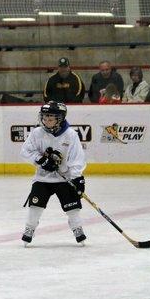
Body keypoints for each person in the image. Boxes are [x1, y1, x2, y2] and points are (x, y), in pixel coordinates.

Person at [20, 101, 87, 246]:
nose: (46, 121)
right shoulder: (37, 133)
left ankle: (77, 228)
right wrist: (41, 160)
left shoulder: (70, 135)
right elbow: (25, 151)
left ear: (60, 119)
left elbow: (77, 158)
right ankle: (29, 228)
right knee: (35, 205)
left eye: (50, 118)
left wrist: (77, 178)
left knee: (72, 207)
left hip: (65, 179)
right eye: (44, 117)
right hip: (42, 179)